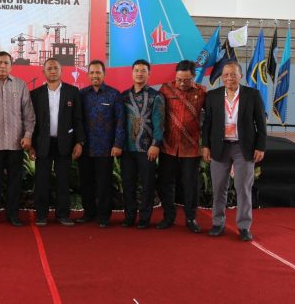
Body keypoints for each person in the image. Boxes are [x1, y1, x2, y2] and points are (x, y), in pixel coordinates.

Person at [202, 60, 266, 241]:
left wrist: (260, 146)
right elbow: (207, 124)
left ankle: (244, 227)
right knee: (219, 188)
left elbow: (261, 123)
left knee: (243, 189)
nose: (229, 78)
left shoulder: (252, 95)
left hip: (243, 148)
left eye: (233, 74)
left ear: (240, 76)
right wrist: (205, 146)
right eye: (225, 75)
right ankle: (217, 223)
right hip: (219, 148)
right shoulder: (212, 96)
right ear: (221, 77)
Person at [0, 51, 36, 227]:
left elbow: (29, 114)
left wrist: (28, 135)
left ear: (11, 66)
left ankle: (13, 214)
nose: (2, 66)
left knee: (14, 182)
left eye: (6, 63)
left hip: (16, 143)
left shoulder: (20, 85)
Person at [30, 58, 85, 226]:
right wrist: (31, 145)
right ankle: (41, 215)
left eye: (55, 68)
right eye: (49, 68)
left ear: (61, 71)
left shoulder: (73, 92)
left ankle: (63, 215)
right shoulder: (35, 94)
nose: (52, 71)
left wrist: (80, 142)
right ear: (43, 72)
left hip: (65, 143)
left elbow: (78, 119)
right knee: (42, 180)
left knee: (63, 180)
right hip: (42, 143)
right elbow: (32, 121)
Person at [157, 60, 207, 233]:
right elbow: (157, 115)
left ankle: (191, 218)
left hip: (191, 147)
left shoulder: (202, 92)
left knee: (190, 184)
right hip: (168, 145)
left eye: (186, 80)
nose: (182, 83)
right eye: (179, 79)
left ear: (194, 77)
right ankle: (168, 216)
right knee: (165, 183)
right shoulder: (165, 89)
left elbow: (210, 119)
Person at [77, 60, 126, 228]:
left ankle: (104, 216)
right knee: (86, 183)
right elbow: (77, 121)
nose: (94, 75)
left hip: (105, 149)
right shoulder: (82, 95)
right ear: (88, 74)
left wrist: (118, 144)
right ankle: (88, 213)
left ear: (103, 74)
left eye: (98, 72)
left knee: (104, 184)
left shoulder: (114, 95)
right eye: (91, 73)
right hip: (85, 148)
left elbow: (120, 121)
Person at [121, 59, 165, 229]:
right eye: (136, 70)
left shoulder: (156, 96)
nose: (139, 73)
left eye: (143, 70)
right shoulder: (123, 96)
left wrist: (156, 144)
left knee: (147, 184)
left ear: (149, 73)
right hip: (127, 148)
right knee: (128, 183)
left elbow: (159, 122)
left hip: (147, 148)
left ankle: (145, 218)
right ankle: (129, 217)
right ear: (132, 73)